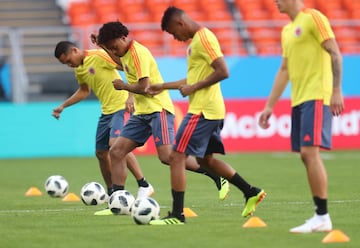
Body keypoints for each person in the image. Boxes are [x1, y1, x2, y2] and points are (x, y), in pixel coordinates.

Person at [147, 7, 266, 225]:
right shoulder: (196, 43)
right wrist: (163, 86)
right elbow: (192, 79)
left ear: (180, 23)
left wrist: (195, 88)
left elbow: (223, 70)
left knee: (176, 157)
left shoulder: (204, 38)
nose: (176, 38)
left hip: (202, 110)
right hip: (211, 110)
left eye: (174, 33)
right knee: (205, 159)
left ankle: (177, 215)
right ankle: (250, 191)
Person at [95, 21, 230, 201]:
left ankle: (217, 176)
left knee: (167, 157)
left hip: (159, 110)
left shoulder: (138, 53)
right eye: (110, 49)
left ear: (123, 38)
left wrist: (123, 86)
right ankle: (118, 200)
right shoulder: (125, 53)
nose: (113, 51)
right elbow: (119, 62)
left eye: (114, 47)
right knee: (117, 151)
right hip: (142, 113)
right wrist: (102, 46)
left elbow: (145, 87)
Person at [258, 0, 344, 233]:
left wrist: (336, 90)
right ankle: (320, 215)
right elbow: (284, 70)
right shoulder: (287, 30)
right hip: (299, 99)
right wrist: (269, 106)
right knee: (305, 156)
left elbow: (335, 52)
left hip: (317, 95)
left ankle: (322, 216)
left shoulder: (314, 18)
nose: (275, 2)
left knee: (309, 152)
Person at [52, 41, 154, 215]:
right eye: (65, 64)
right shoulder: (79, 69)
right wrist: (63, 106)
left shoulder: (99, 55)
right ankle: (112, 195)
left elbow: (128, 70)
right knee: (100, 153)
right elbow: (84, 91)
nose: (70, 65)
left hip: (120, 107)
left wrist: (131, 96)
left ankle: (143, 184)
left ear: (75, 50)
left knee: (116, 145)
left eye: (69, 60)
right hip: (106, 112)